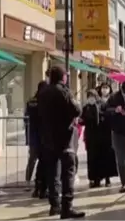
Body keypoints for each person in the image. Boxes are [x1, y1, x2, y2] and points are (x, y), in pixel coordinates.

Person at [38, 66, 85, 218]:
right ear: (62, 77)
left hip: (47, 139)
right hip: (64, 138)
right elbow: (76, 110)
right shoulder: (64, 91)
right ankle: (67, 207)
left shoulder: (43, 92)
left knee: (52, 174)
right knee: (68, 173)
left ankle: (54, 205)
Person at [80, 89, 118, 188]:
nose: (91, 98)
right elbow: (83, 120)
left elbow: (108, 116)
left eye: (92, 95)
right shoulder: (86, 107)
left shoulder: (103, 105)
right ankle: (94, 179)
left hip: (103, 136)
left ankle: (107, 178)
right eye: (89, 96)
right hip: (91, 137)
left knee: (105, 157)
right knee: (92, 159)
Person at [105, 81, 125, 193]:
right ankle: (124, 183)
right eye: (124, 92)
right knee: (120, 160)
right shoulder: (114, 97)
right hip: (117, 132)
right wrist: (115, 110)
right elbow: (106, 110)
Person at [24, 81, 47, 198]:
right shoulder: (44, 101)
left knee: (32, 159)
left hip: (33, 134)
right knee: (41, 160)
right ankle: (37, 184)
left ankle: (28, 182)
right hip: (42, 134)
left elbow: (26, 118)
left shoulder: (31, 101)